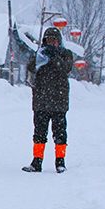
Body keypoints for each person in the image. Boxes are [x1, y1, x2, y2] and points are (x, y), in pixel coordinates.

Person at [24, 26, 74, 173]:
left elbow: (65, 68)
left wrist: (54, 57)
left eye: (54, 40)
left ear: (59, 41)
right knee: (39, 133)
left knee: (60, 133)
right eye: (48, 40)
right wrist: (39, 57)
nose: (51, 43)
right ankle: (36, 162)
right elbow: (31, 69)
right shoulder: (39, 55)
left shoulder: (66, 54)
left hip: (59, 101)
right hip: (41, 101)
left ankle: (60, 162)